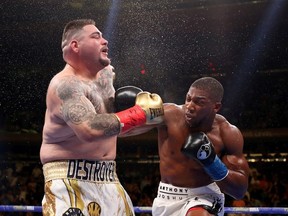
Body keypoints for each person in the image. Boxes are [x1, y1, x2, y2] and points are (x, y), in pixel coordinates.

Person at [40, 19, 164, 216]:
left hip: (109, 178)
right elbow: (90, 129)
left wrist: (154, 118)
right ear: (75, 45)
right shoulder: (64, 85)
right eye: (96, 36)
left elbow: (112, 127)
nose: (105, 41)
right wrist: (140, 113)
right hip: (70, 179)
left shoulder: (105, 77)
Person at [122, 77, 250, 216]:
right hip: (166, 198)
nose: (189, 106)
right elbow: (123, 131)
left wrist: (211, 161)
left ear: (216, 106)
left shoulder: (227, 133)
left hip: (204, 197)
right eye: (188, 99)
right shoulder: (170, 115)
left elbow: (239, 191)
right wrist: (126, 113)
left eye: (199, 102)